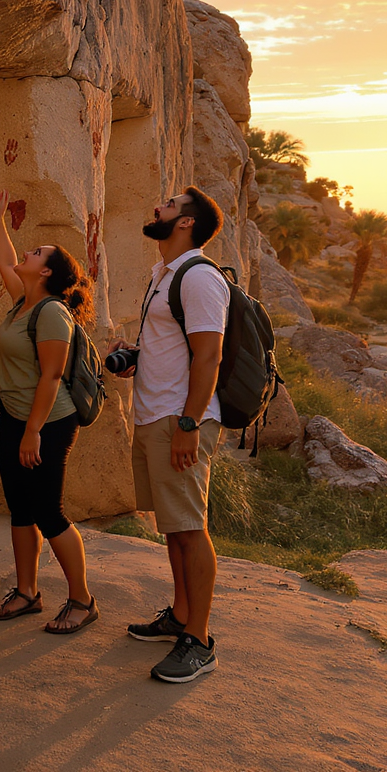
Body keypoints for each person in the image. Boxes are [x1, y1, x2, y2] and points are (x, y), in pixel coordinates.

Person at [108, 186, 229, 683]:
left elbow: (209, 355)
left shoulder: (199, 277)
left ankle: (198, 641)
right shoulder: (165, 274)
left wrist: (189, 423)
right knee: (175, 528)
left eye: (171, 204)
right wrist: (136, 357)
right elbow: (176, 346)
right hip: (155, 415)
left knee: (191, 528)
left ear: (186, 223)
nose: (159, 206)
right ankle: (180, 616)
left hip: (179, 419)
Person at [0, 190, 99, 633]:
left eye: (35, 253)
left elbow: (52, 377)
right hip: (13, 417)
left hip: (48, 423)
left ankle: (82, 600)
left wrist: (32, 431)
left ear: (47, 271)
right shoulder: (24, 301)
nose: (26, 254)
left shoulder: (52, 313)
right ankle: (27, 593)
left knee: (49, 512)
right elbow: (5, 260)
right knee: (20, 508)